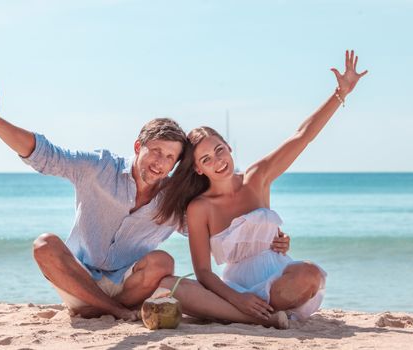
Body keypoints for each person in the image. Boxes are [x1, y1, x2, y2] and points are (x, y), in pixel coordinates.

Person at [0, 77, 290, 325]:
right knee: (44, 244)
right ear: (138, 146)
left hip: (127, 286)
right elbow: (45, 154)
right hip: (79, 281)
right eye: (155, 151)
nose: (159, 163)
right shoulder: (98, 168)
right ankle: (111, 311)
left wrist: (264, 238)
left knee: (163, 263)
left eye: (170, 158)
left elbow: (217, 232)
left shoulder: (173, 199)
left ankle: (106, 309)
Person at [156, 50, 367, 321]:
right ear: (199, 168)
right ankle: (257, 316)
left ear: (230, 148)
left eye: (220, 150)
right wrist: (239, 299)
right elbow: (204, 273)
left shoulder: (257, 178)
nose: (218, 161)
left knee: (310, 273)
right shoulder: (200, 208)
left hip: (280, 280)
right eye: (207, 159)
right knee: (174, 286)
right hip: (234, 289)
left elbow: (302, 137)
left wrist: (340, 93)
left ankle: (258, 313)